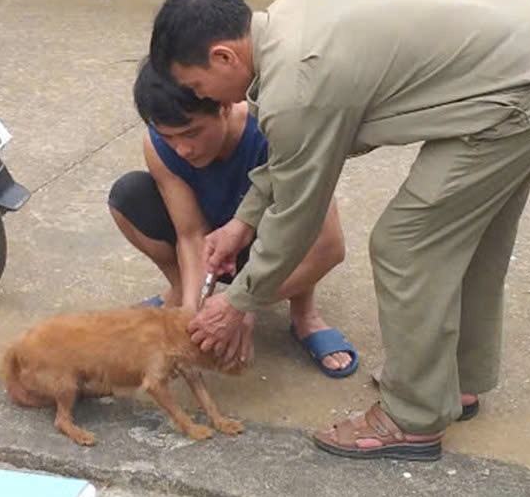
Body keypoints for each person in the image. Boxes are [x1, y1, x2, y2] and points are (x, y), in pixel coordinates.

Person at [149, 0, 530, 460]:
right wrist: (243, 221)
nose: (206, 99)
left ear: (223, 56)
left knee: (405, 245)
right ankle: (451, 382)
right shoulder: (290, 16)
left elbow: (298, 213)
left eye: (197, 85)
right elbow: (292, 155)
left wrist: (237, 303)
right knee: (468, 238)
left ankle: (413, 418)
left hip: (521, 92)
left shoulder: (299, 85)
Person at [108, 60, 357, 377]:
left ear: (224, 106)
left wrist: (243, 304)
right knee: (129, 196)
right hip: (216, 246)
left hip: (273, 240)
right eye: (168, 137)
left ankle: (304, 314)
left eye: (192, 132)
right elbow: (190, 233)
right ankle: (185, 292)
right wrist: (192, 315)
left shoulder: (276, 132)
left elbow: (329, 247)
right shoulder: (159, 146)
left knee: (299, 223)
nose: (182, 149)